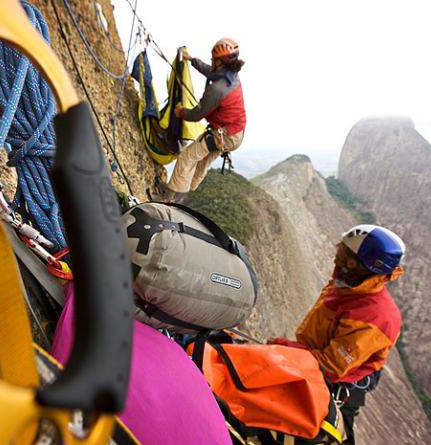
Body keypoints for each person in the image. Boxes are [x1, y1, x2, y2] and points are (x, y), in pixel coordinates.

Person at [268, 224, 406, 445]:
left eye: (342, 251)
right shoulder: (350, 285)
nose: (336, 253)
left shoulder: (373, 317)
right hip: (312, 366)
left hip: (336, 387)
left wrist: (282, 347)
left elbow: (330, 367)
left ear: (352, 262)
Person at [160, 37, 247, 202]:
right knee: (201, 159)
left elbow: (197, 115)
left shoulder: (217, 89)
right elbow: (210, 71)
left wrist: (181, 112)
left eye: (213, 59)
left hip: (225, 135)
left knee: (187, 156)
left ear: (220, 62)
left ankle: (167, 199)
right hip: (235, 133)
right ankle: (181, 192)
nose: (211, 60)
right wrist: (193, 60)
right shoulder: (232, 76)